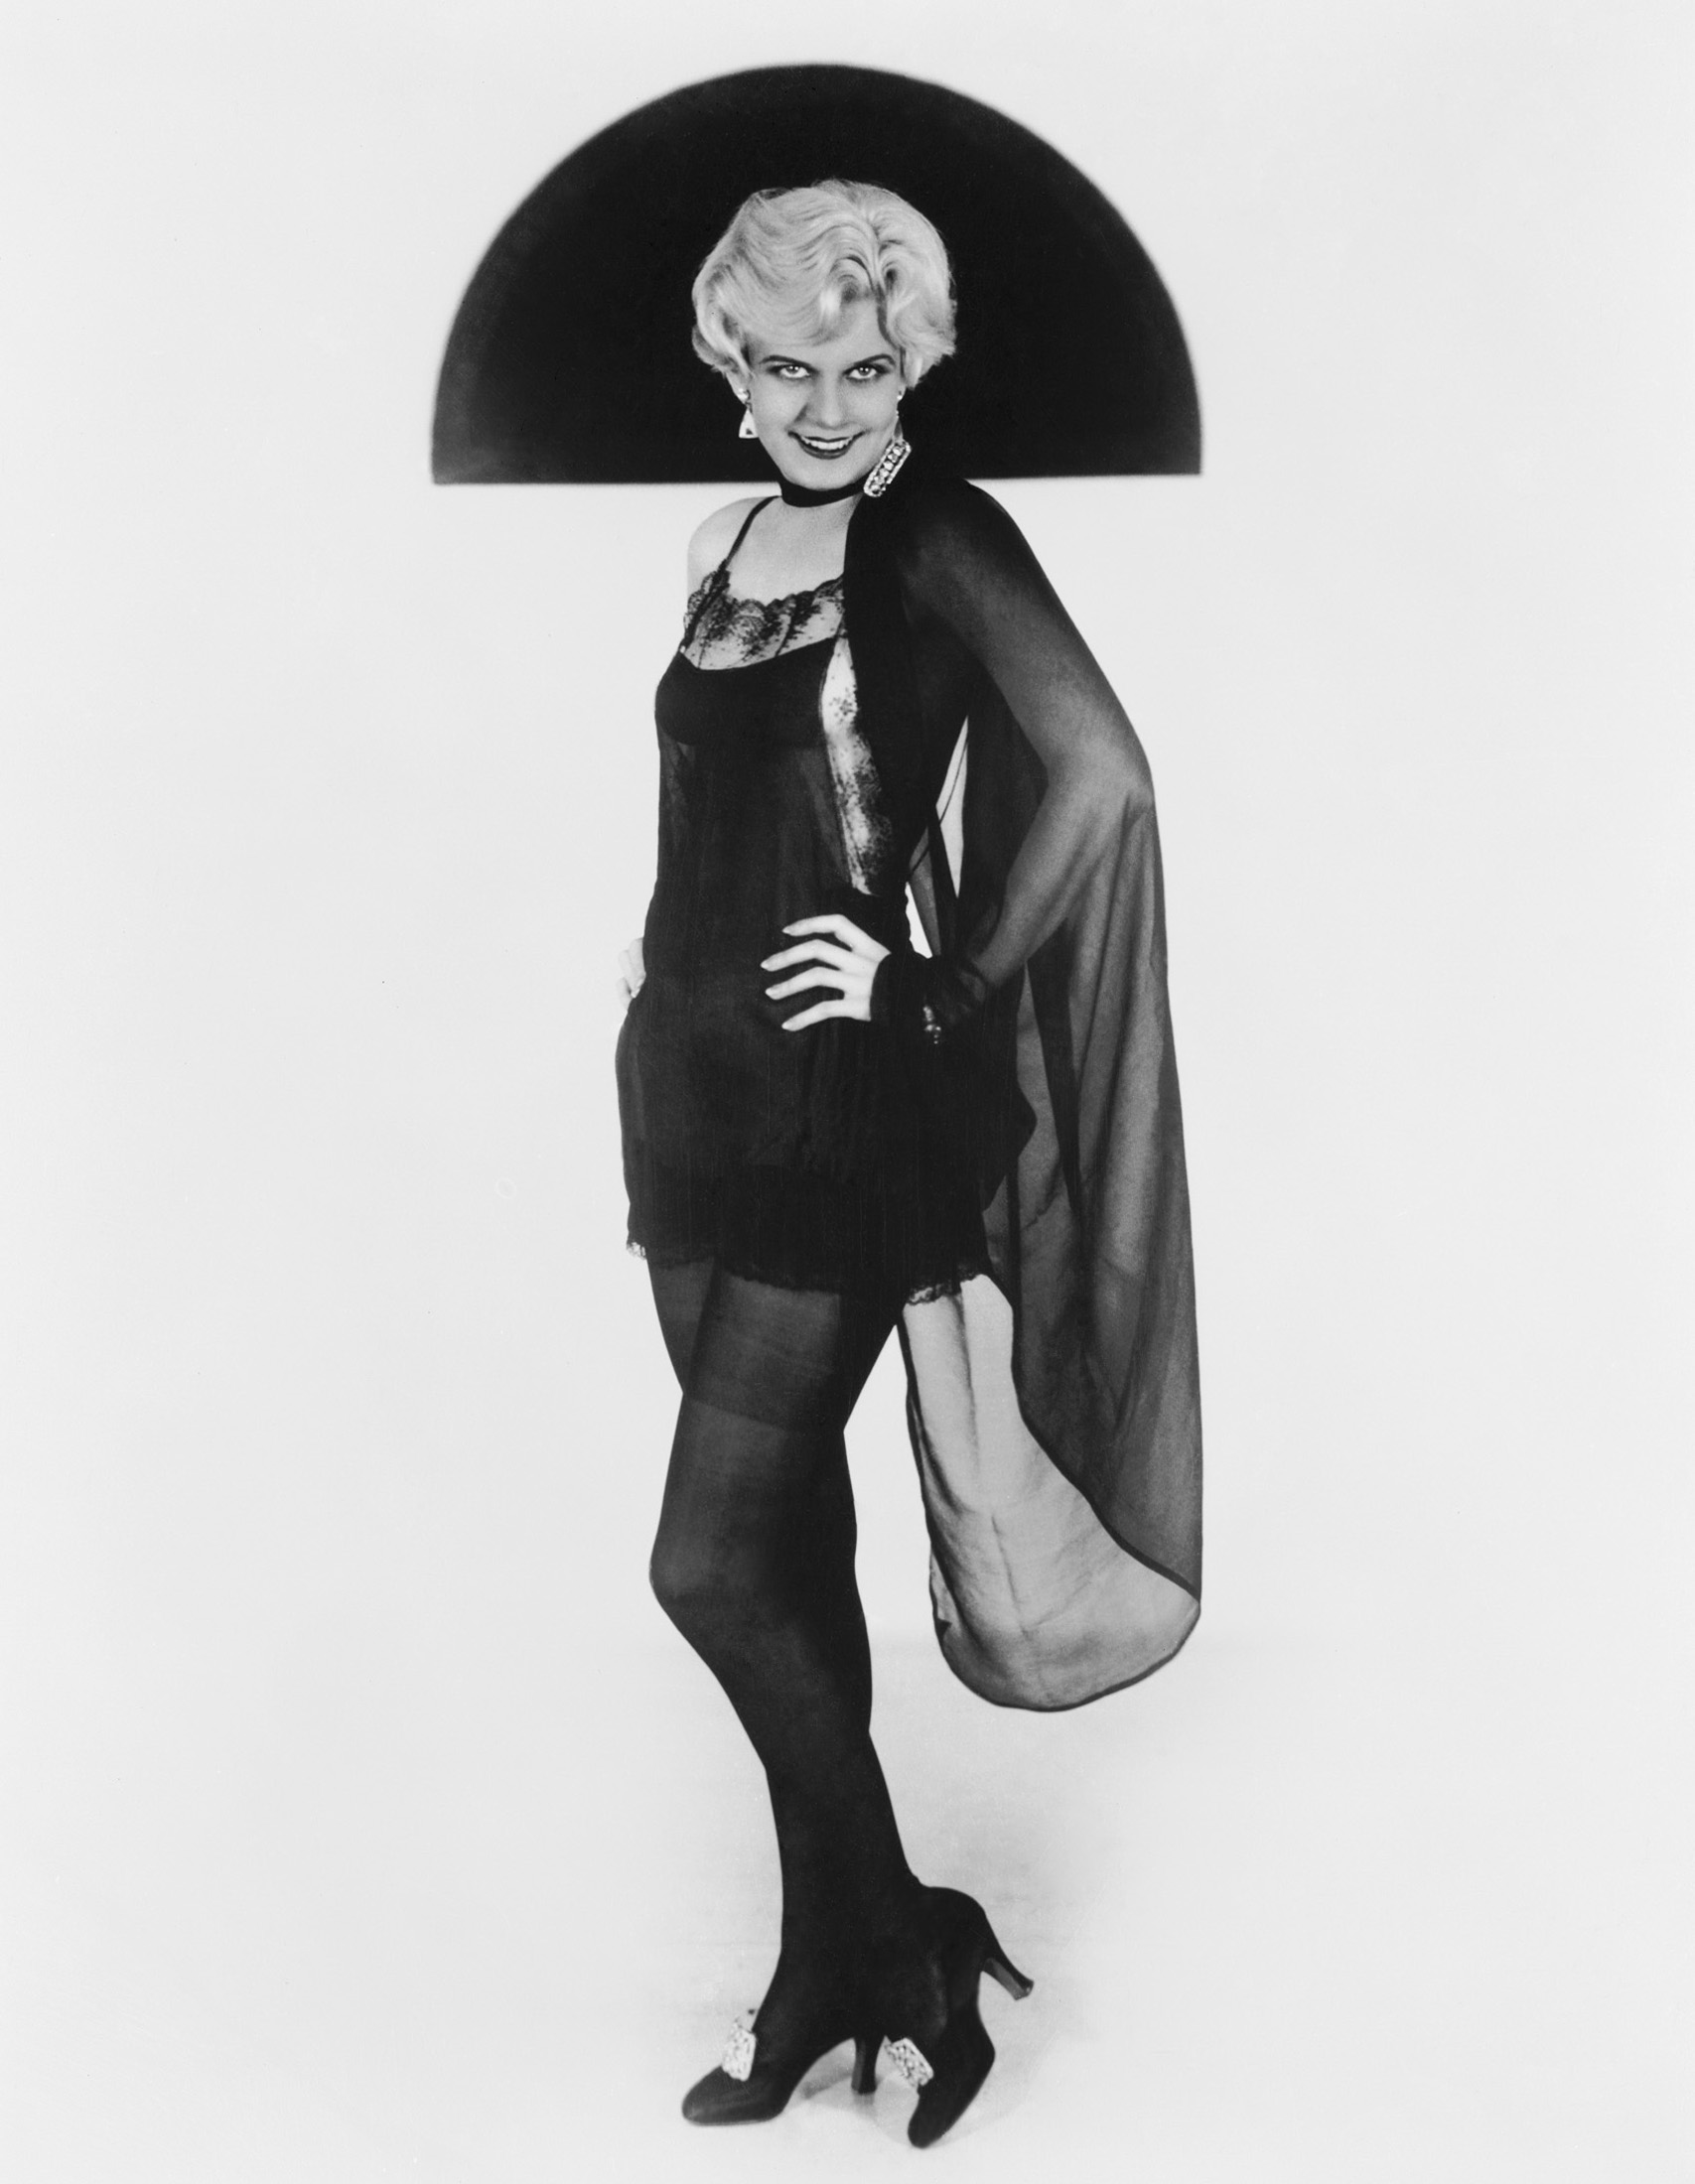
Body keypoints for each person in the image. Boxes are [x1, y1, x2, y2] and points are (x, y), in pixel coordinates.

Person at [614, 180, 1201, 2148]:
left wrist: (937, 985)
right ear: (733, 362)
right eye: (790, 365)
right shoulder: (717, 545)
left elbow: (1103, 774)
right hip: (685, 1097)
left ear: (909, 373)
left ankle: (895, 1937)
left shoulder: (936, 531)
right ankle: (843, 1957)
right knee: (781, 1550)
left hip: (837, 1115)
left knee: (701, 1563)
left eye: (865, 369)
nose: (826, 403)